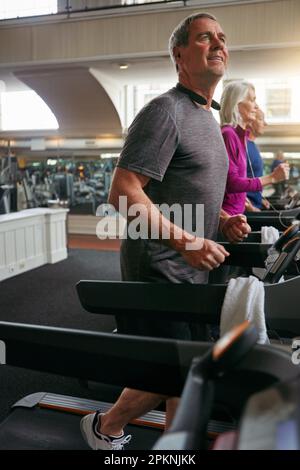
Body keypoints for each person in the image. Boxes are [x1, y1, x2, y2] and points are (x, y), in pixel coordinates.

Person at [80, 12, 251, 451]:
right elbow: (122, 192)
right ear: (179, 55)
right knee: (174, 372)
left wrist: (220, 223)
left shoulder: (209, 121)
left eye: (222, 37)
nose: (218, 44)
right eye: (204, 38)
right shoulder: (165, 111)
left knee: (190, 375)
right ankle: (103, 427)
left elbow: (187, 194)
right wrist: (186, 241)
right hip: (158, 270)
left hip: (190, 273)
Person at [220, 81, 289, 216]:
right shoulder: (228, 134)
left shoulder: (239, 137)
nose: (256, 106)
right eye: (252, 100)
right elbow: (231, 183)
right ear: (237, 104)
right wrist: (272, 178)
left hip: (238, 214)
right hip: (229, 217)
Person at [246, 108, 270, 211]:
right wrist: (248, 206)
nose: (265, 123)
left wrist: (260, 199)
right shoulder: (242, 145)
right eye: (261, 119)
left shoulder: (253, 145)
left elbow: (253, 176)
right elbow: (230, 182)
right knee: (195, 225)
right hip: (246, 212)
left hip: (256, 205)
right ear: (251, 120)